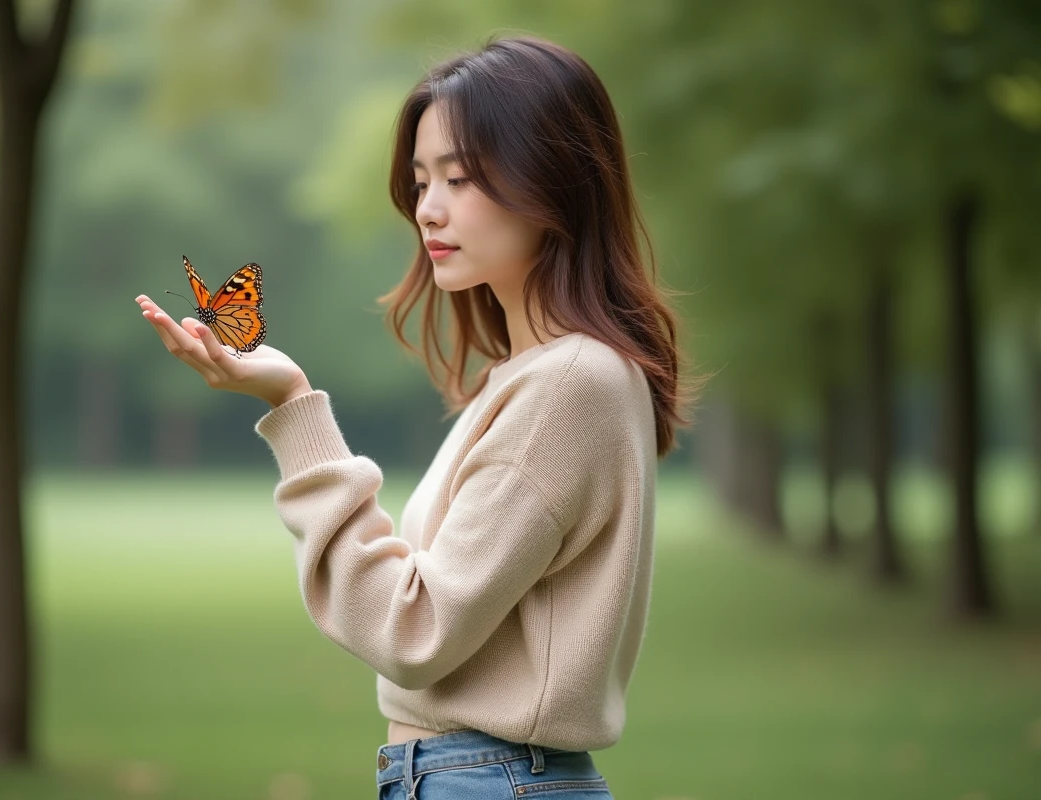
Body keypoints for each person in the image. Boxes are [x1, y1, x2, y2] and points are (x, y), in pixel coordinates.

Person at [136, 33, 695, 800]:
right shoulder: (543, 377)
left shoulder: (569, 384)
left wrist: (295, 410)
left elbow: (414, 629)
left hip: (492, 780)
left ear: (554, 180)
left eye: (460, 178)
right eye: (421, 181)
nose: (428, 209)